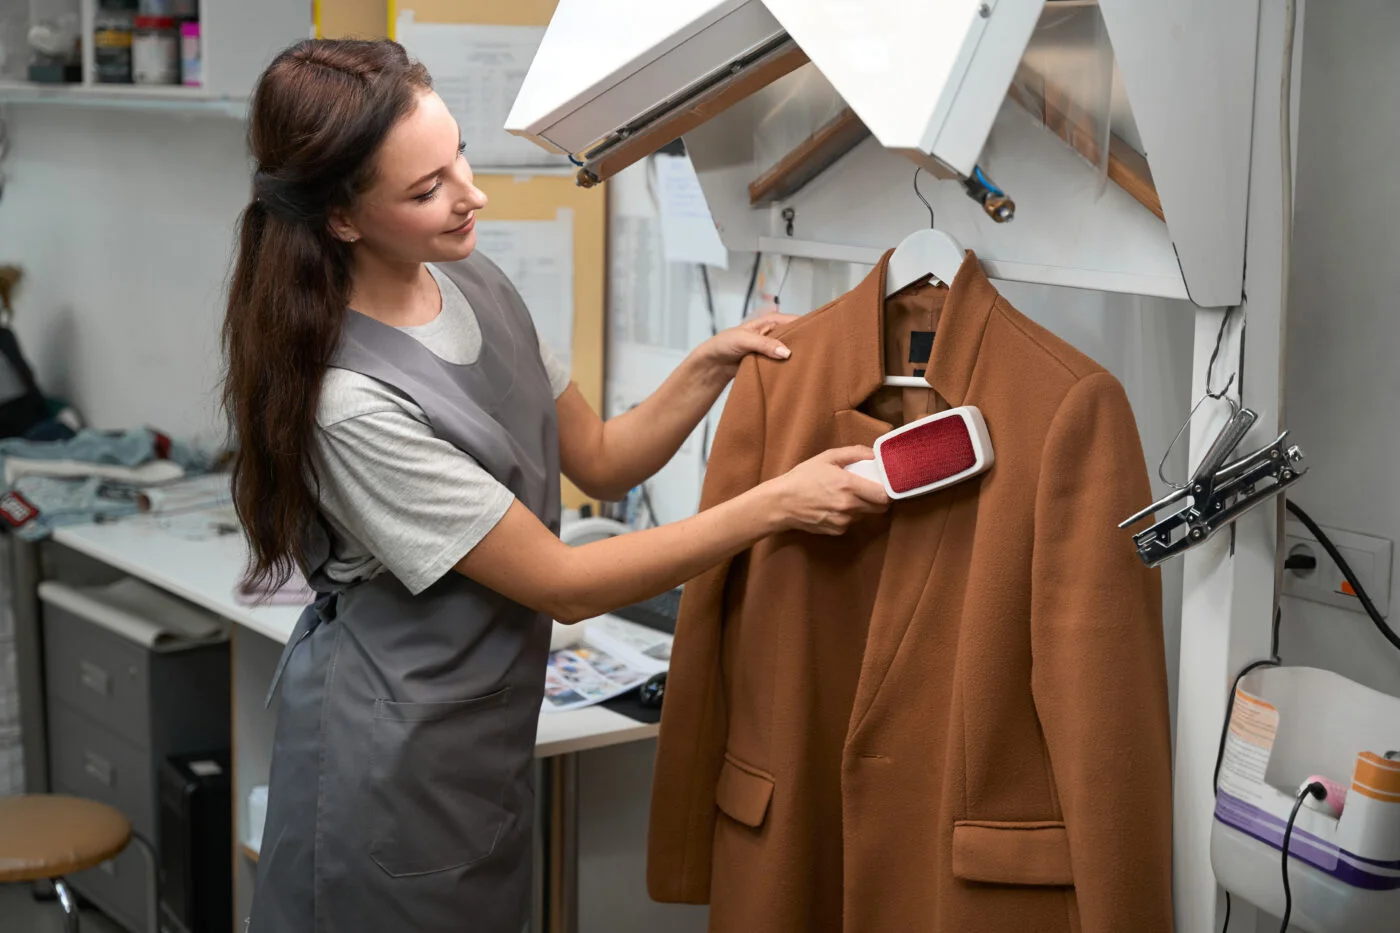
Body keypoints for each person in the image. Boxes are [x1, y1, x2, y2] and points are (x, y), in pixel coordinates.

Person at [222, 38, 888, 933]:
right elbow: (566, 586)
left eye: (455, 152)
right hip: (389, 757)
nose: (471, 192)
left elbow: (604, 457)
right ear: (342, 218)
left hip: (477, 739)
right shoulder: (350, 400)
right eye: (426, 190)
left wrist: (710, 364)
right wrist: (779, 503)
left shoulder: (476, 283)